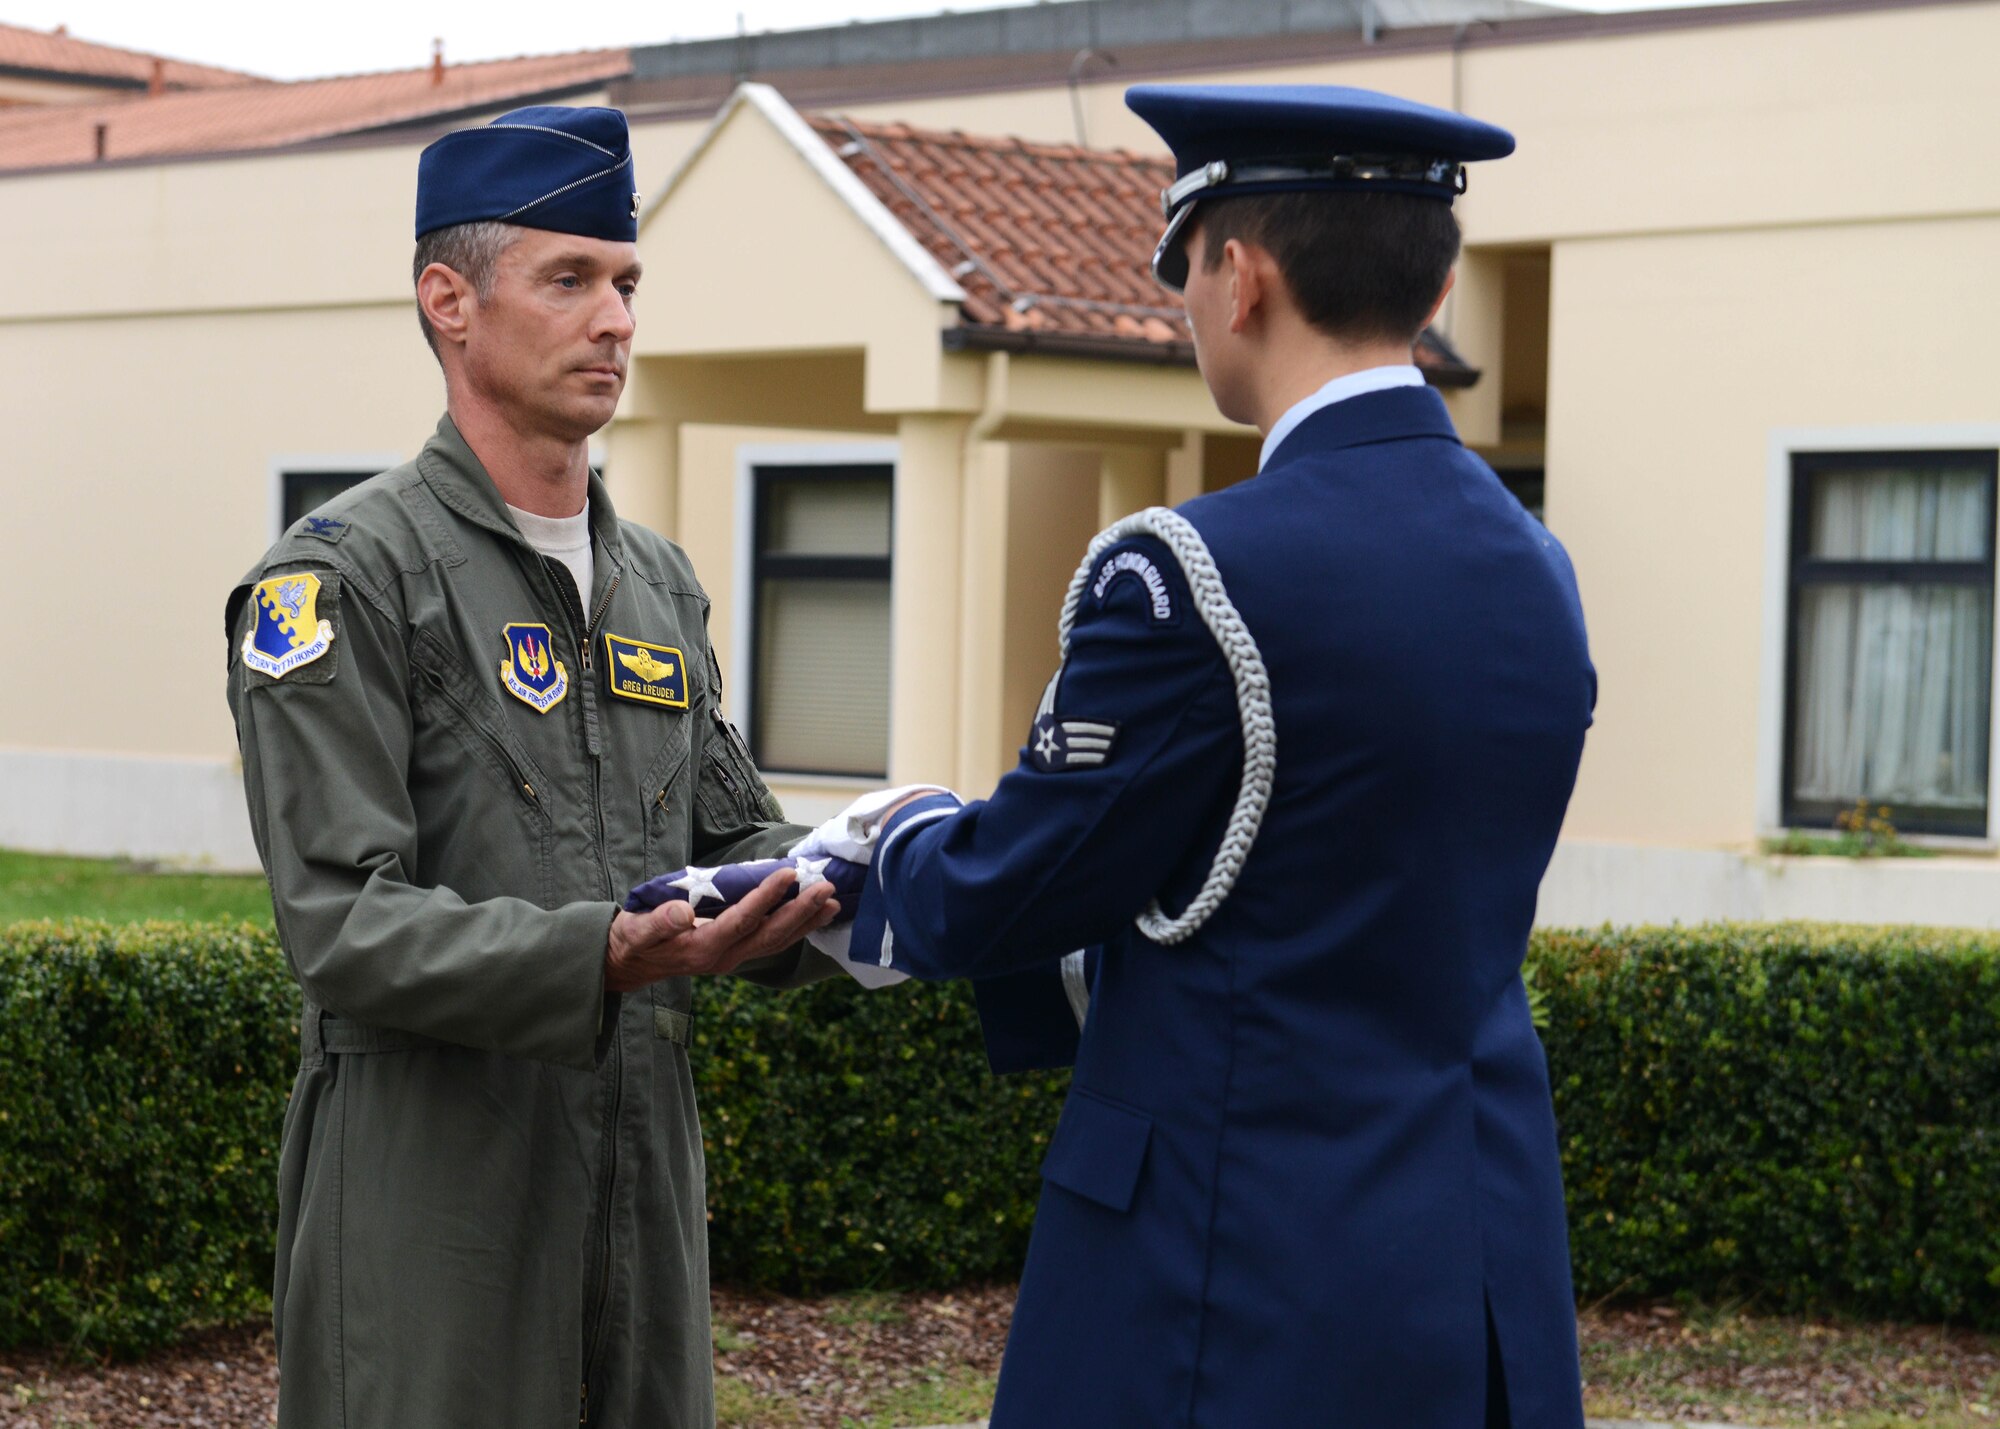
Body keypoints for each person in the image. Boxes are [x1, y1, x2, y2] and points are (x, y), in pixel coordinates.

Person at [833, 85, 1595, 1426]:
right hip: (1476, 1280)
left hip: (1226, 1284)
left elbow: (1015, 884)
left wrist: (883, 845)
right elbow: (1289, 897)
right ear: (1441, 278)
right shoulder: (1538, 568)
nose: (1187, 302)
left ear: (1240, 278)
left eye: (1185, 267)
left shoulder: (1192, 571)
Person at [223, 105, 842, 1428]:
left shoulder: (657, 583)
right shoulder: (339, 579)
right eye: (570, 279)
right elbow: (342, 921)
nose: (615, 319)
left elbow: (731, 839)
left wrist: (869, 871)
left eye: (625, 283)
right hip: (436, 1216)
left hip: (642, 1208)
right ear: (450, 300)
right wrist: (599, 956)